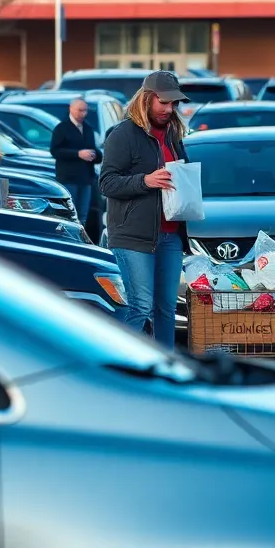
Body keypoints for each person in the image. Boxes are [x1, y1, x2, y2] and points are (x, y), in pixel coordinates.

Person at [99, 70, 190, 349]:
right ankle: (118, 363)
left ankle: (165, 367)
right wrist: (146, 180)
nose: (169, 109)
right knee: (140, 306)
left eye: (173, 103)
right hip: (133, 237)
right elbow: (106, 182)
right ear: (147, 99)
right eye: (163, 102)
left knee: (166, 308)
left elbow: (180, 171)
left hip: (170, 234)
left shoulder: (173, 133)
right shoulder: (123, 134)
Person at [50, 97, 101, 228]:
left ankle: (81, 240)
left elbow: (93, 149)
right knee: (69, 214)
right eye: (80, 110)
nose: (83, 113)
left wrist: (95, 155)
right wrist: (78, 154)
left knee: (83, 214)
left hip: (85, 179)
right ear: (71, 109)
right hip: (68, 178)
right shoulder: (62, 128)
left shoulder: (88, 128)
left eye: (85, 110)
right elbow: (55, 151)